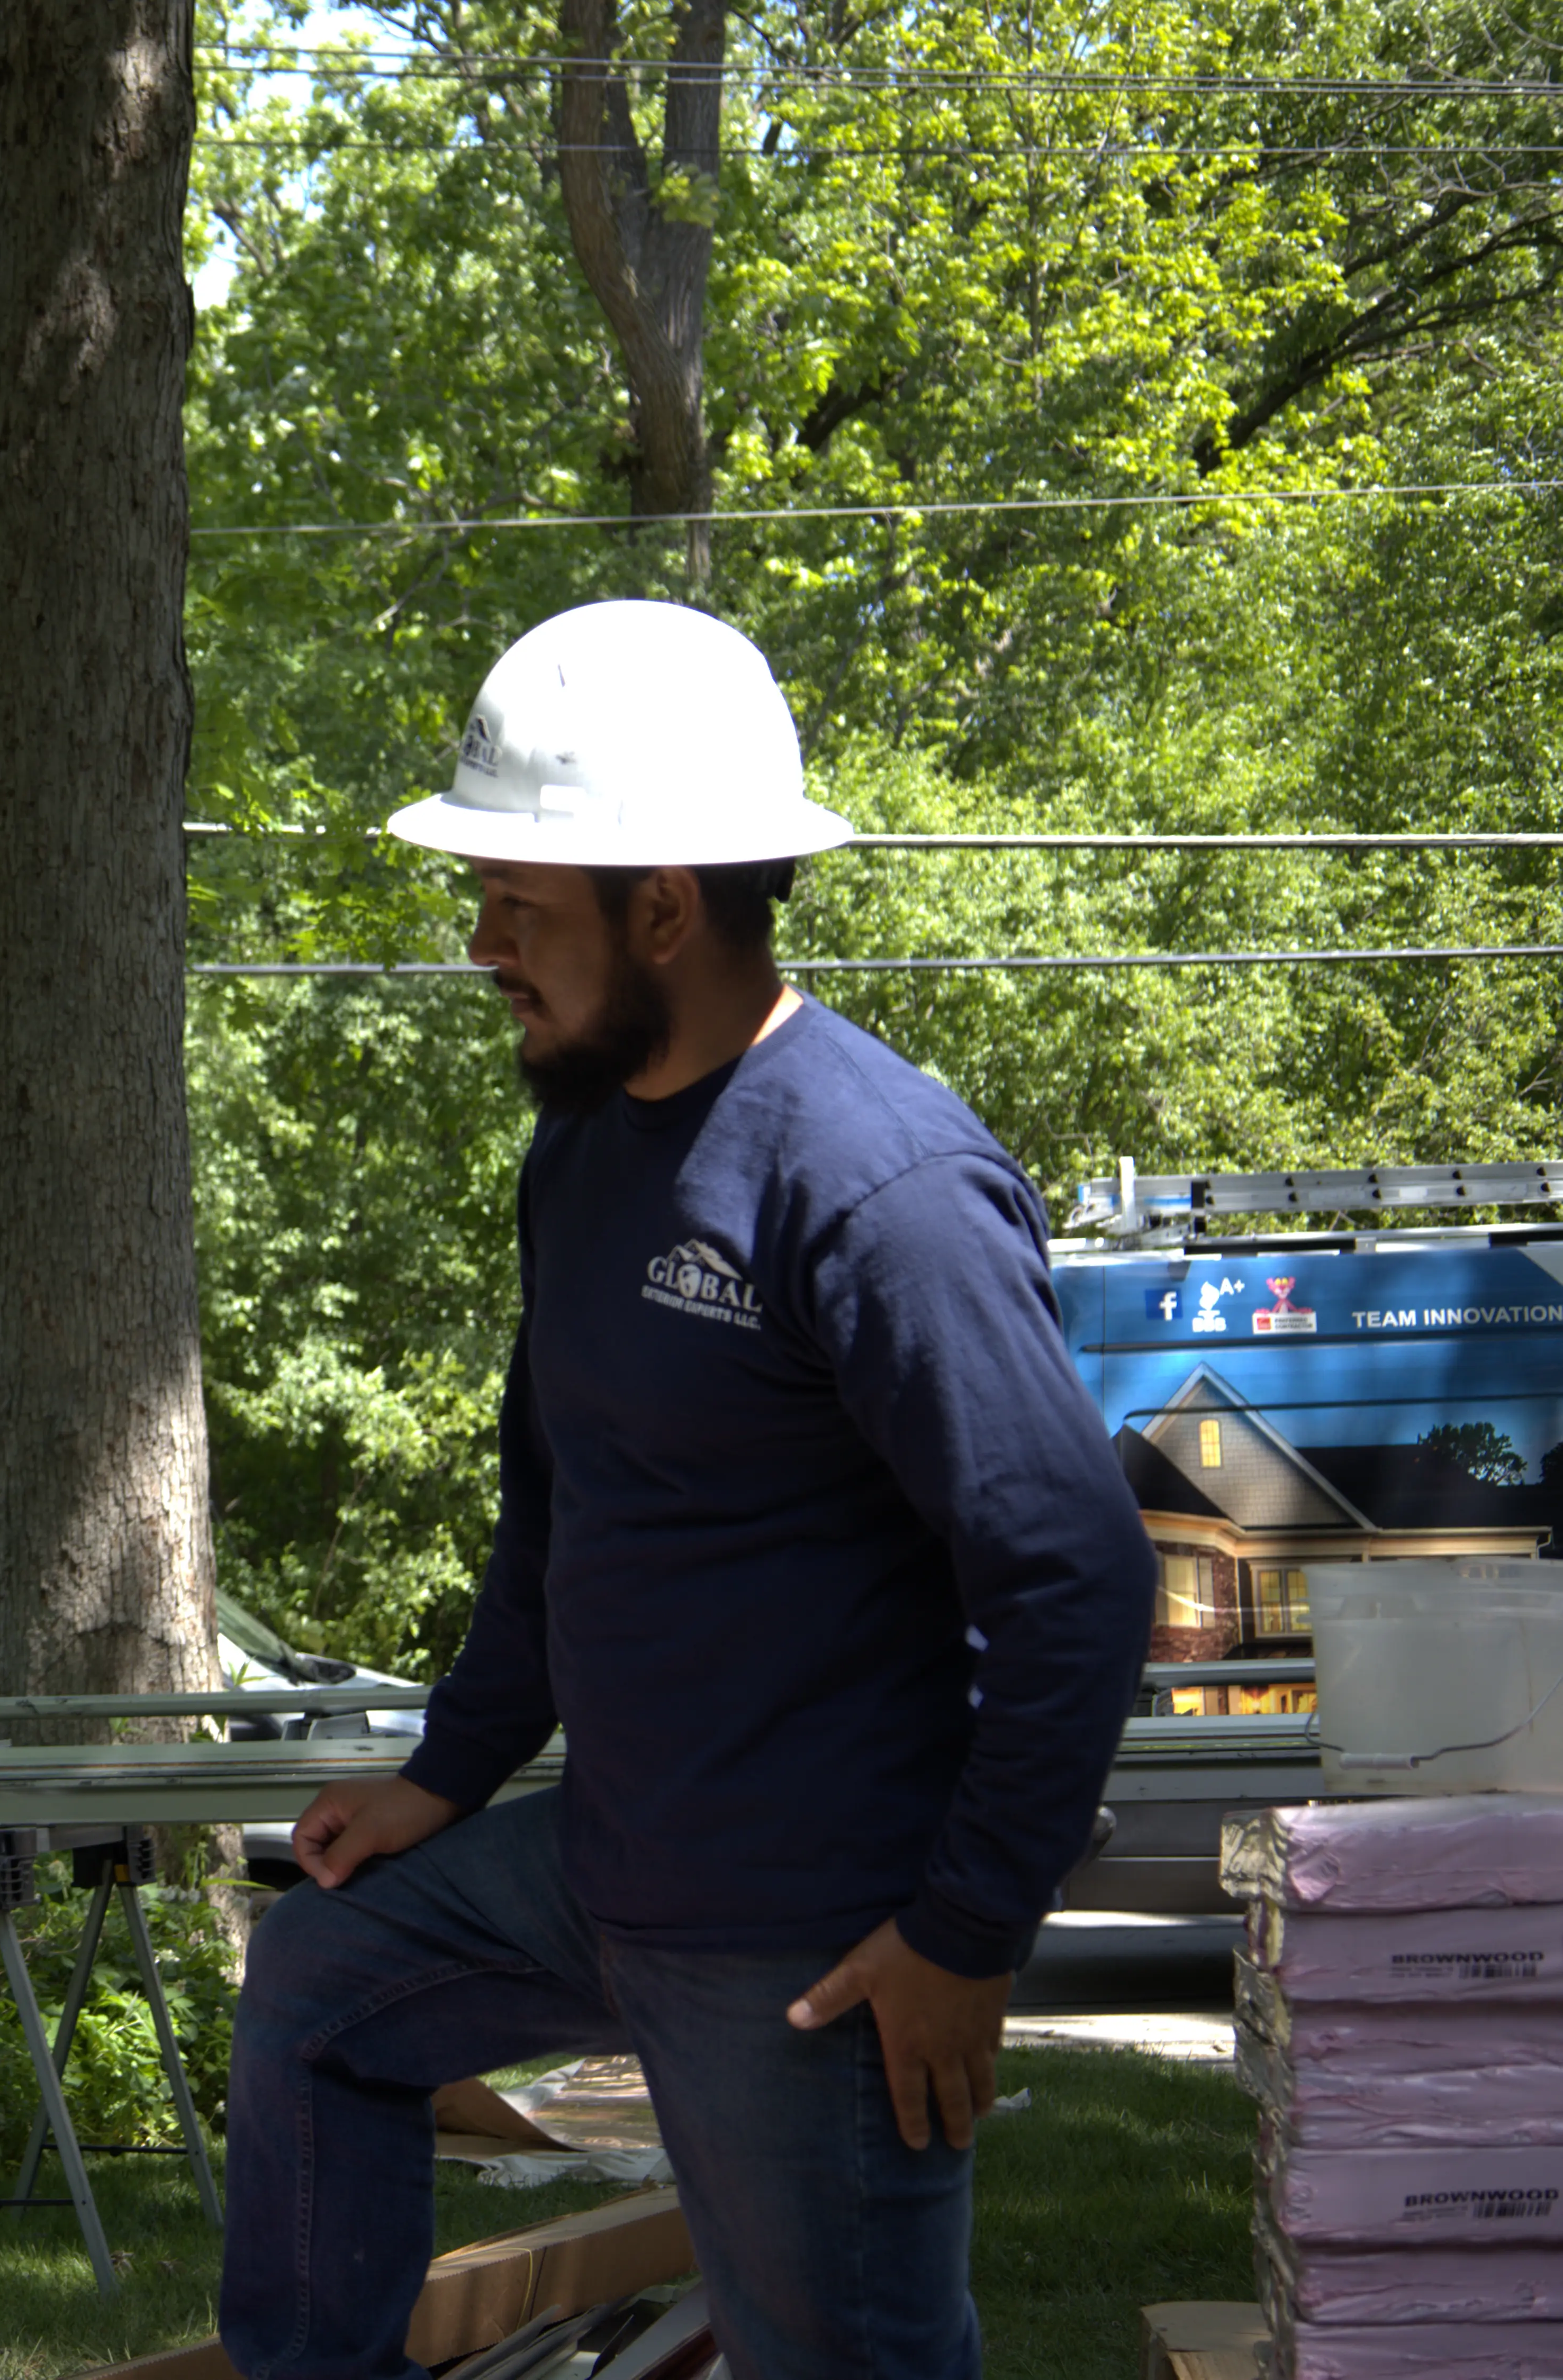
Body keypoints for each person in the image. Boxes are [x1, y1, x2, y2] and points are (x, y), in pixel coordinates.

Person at [220, 603, 1153, 2380]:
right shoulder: (584, 1148)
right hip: (606, 1865)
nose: (480, 944)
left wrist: (963, 1935)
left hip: (805, 1951)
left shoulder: (875, 1186)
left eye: (518, 906)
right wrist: (447, 1768)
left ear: (664, 903)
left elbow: (1076, 1578)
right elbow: (557, 1494)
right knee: (323, 1987)